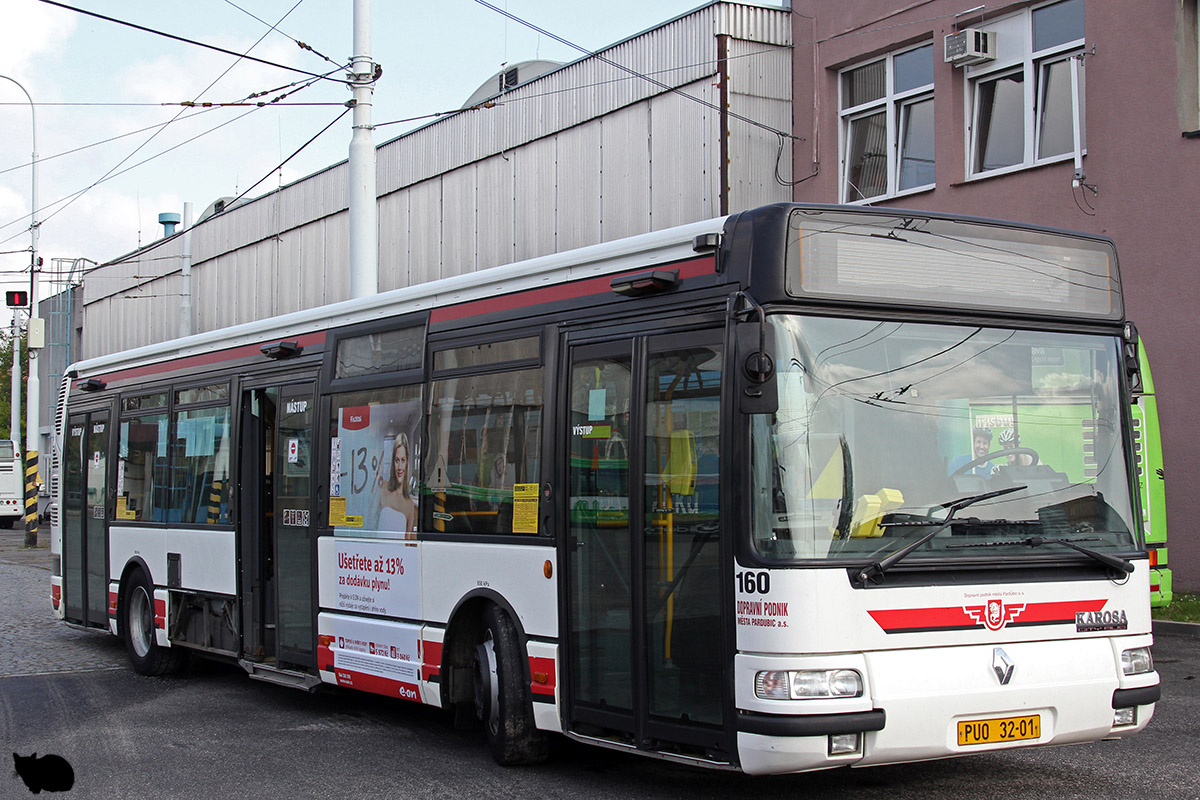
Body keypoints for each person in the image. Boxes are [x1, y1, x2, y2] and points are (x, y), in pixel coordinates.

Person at [378, 433, 418, 532]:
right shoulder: (382, 487)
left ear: (407, 463)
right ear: (393, 462)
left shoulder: (410, 505)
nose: (400, 467)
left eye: (403, 460)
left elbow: (407, 541)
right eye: (397, 460)